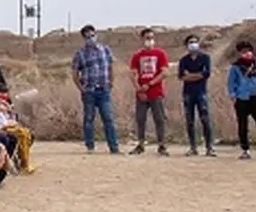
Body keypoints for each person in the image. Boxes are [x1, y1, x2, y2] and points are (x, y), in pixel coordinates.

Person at [71, 24, 120, 154]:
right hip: (89, 91)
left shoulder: (105, 50)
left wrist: (111, 82)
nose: (91, 38)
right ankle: (90, 146)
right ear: (84, 38)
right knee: (89, 119)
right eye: (88, 37)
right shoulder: (80, 54)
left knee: (108, 118)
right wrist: (81, 88)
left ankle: (114, 147)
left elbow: (111, 67)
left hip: (103, 89)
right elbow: (75, 73)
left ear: (96, 35)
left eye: (92, 35)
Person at [129, 28, 170, 156]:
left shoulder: (160, 54)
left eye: (151, 37)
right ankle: (140, 144)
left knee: (159, 119)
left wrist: (150, 84)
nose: (149, 40)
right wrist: (138, 88)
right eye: (147, 38)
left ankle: (162, 145)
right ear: (142, 39)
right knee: (140, 119)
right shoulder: (137, 56)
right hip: (141, 92)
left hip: (156, 91)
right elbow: (133, 73)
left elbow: (165, 72)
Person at [178, 34, 215, 156]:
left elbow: (206, 74)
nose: (193, 44)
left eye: (195, 41)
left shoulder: (205, 58)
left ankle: (209, 147)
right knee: (190, 120)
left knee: (205, 119)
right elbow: (181, 76)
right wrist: (197, 75)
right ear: (187, 45)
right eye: (190, 42)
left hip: (201, 92)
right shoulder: (184, 60)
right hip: (188, 93)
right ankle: (193, 147)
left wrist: (190, 76)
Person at [227, 40, 256, 160]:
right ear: (240, 53)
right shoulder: (235, 67)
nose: (248, 53)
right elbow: (231, 83)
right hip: (242, 97)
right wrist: (233, 95)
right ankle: (245, 149)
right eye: (244, 51)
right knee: (242, 124)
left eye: (249, 51)